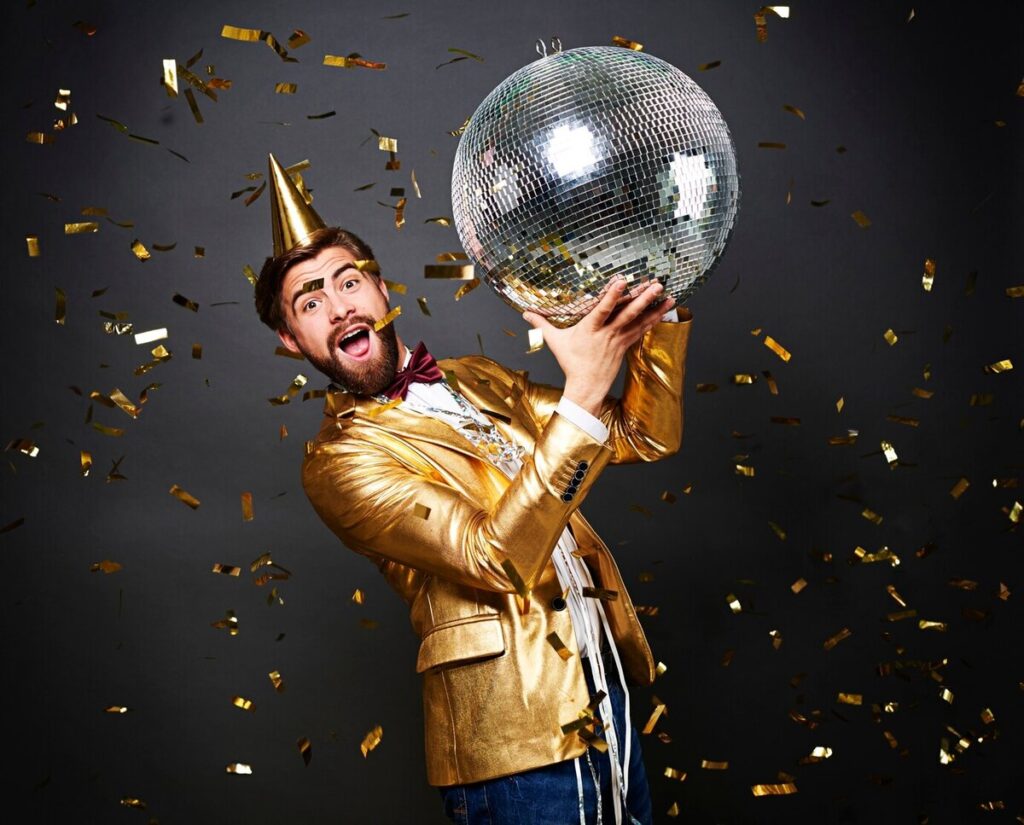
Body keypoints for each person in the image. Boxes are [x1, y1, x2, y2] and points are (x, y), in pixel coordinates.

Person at [253, 154, 693, 825]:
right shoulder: (339, 463)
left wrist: (656, 314)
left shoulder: (479, 379)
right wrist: (581, 388)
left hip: (607, 696)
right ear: (291, 339)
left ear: (380, 288)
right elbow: (497, 557)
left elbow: (640, 433)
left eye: (349, 281)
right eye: (310, 301)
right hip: (516, 745)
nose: (339, 305)